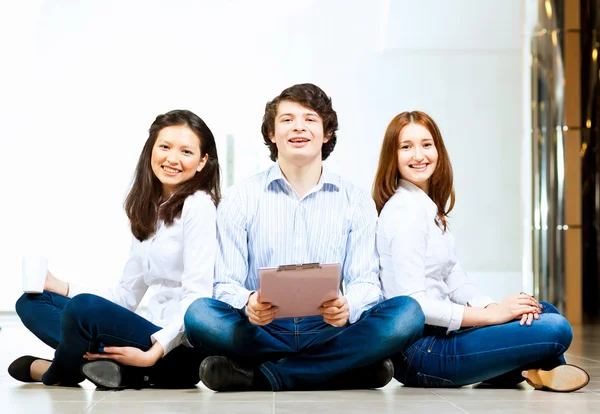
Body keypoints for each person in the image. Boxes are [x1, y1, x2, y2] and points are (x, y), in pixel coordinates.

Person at [183, 83, 425, 392]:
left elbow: (367, 283)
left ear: (326, 134)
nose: (298, 127)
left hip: (329, 330)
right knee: (199, 315)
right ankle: (337, 369)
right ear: (272, 133)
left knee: (408, 313)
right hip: (261, 330)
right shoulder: (240, 198)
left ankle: (269, 376)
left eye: (309, 119)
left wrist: (348, 305)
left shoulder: (356, 200)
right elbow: (224, 284)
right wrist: (248, 302)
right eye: (287, 119)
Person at [373, 110, 589, 392]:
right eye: (406, 147)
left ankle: (531, 371)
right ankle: (538, 369)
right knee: (556, 328)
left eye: (426, 144)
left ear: (438, 149)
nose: (418, 155)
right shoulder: (405, 213)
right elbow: (416, 306)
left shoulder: (427, 207)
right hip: (420, 354)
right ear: (393, 156)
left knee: (539, 310)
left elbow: (453, 275)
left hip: (443, 336)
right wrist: (492, 316)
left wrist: (491, 306)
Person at [10, 109, 220, 388]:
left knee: (83, 310)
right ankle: (98, 366)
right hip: (146, 332)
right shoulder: (150, 210)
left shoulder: (200, 205)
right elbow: (125, 296)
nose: (172, 159)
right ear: (150, 150)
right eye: (165, 147)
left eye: (186, 151)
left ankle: (58, 372)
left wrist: (152, 353)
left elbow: (198, 299)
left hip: (176, 349)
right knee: (32, 303)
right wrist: (58, 285)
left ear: (202, 161)